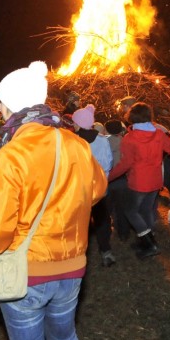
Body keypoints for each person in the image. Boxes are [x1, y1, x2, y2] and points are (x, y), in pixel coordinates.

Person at [0, 60, 107, 340]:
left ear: (13, 106)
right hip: (72, 267)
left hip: (27, 275)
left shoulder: (11, 155)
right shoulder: (75, 143)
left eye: (1, 104)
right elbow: (96, 190)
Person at [108, 101, 170, 258]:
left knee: (131, 211)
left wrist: (108, 177)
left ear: (131, 117)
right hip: (155, 181)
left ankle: (148, 242)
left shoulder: (129, 138)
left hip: (138, 182)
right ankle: (147, 239)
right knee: (146, 210)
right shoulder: (159, 134)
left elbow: (125, 164)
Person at [72, 103, 115, 267]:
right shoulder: (102, 140)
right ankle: (106, 251)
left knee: (78, 220)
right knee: (102, 219)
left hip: (79, 187)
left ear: (77, 123)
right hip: (99, 186)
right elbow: (108, 163)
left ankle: (78, 252)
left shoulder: (73, 140)